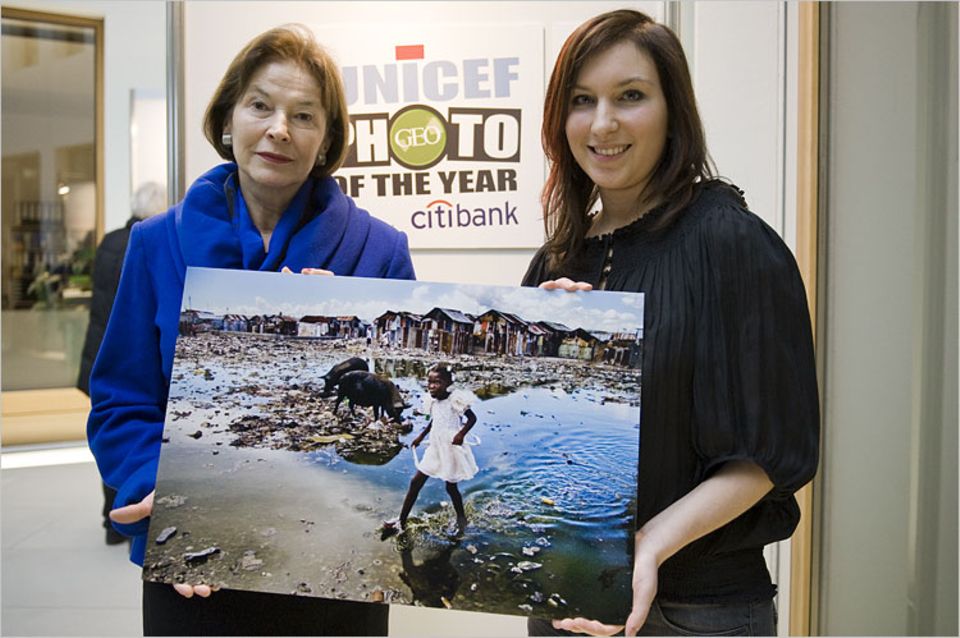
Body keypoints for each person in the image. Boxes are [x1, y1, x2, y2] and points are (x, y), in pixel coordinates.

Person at [86, 24, 414, 636]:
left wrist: (348, 330)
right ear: (228, 117)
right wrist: (152, 486)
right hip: (194, 564)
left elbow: (390, 385)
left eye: (304, 115)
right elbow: (121, 401)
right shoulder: (156, 244)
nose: (279, 129)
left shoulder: (379, 250)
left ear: (326, 140)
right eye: (260, 105)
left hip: (337, 564)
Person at [522, 10, 819, 636]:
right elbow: (544, 439)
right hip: (564, 597)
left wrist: (649, 546)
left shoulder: (732, 243)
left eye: (630, 96)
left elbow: (769, 454)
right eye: (582, 101)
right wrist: (545, 347)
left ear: (671, 110)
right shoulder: (557, 259)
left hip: (693, 612)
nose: (603, 123)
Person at [78, 181, 167, 546]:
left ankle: (111, 520)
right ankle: (127, 515)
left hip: (100, 345)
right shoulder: (148, 241)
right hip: (125, 346)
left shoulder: (110, 240)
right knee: (127, 422)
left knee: (115, 433)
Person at [386, 363, 478, 536]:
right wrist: (421, 436)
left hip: (451, 446)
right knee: (415, 483)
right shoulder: (432, 400)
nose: (431, 386)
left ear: (446, 383)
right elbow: (434, 421)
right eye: (429, 382)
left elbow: (473, 419)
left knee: (451, 487)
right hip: (435, 446)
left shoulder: (455, 400)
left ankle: (462, 519)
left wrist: (461, 434)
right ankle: (401, 522)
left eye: (437, 383)